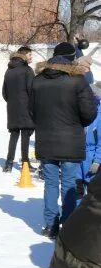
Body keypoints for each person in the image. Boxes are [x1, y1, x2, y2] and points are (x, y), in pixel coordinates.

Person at [30, 42, 98, 238]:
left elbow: (31, 111)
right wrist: (77, 123)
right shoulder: (77, 80)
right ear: (71, 58)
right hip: (71, 140)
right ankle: (67, 225)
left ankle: (51, 224)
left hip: (46, 139)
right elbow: (89, 112)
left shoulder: (38, 81)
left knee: (50, 183)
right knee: (68, 183)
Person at [2, 46, 35, 173]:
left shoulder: (8, 71)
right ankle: (25, 163)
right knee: (25, 136)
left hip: (12, 108)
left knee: (14, 135)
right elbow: (32, 90)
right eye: (30, 55)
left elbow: (4, 93)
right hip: (26, 108)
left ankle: (8, 163)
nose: (31, 57)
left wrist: (12, 102)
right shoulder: (27, 70)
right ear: (24, 55)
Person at [79, 83, 101, 196]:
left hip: (91, 159)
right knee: (77, 191)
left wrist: (97, 161)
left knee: (92, 194)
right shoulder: (78, 110)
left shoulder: (99, 115)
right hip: (77, 157)